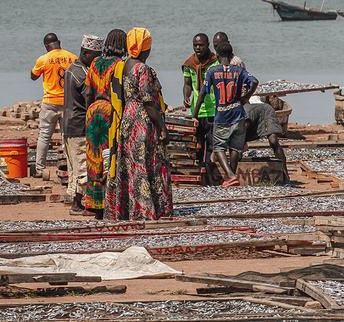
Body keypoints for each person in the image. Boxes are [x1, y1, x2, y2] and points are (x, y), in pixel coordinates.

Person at [104, 27, 173, 221]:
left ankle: (128, 209)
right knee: (147, 163)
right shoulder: (142, 68)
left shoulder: (124, 65)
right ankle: (146, 210)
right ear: (145, 48)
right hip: (143, 121)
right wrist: (162, 127)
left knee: (130, 164)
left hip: (128, 117)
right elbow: (148, 101)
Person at [195, 42, 258, 186]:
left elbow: (202, 94)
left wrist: (195, 114)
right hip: (238, 113)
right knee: (235, 147)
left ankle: (230, 176)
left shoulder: (212, 71)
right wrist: (246, 97)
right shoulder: (239, 71)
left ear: (217, 56)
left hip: (222, 115)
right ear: (231, 55)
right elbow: (254, 81)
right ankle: (232, 176)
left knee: (218, 147)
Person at [82, 29, 127, 219]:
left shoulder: (95, 63)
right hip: (110, 112)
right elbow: (120, 93)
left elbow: (86, 92)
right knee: (110, 156)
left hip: (93, 111)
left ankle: (94, 204)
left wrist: (89, 110)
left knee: (94, 157)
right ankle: (109, 203)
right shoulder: (120, 65)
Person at [61, 35, 102, 214]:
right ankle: (78, 204)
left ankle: (79, 201)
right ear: (85, 53)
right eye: (95, 56)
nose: (97, 59)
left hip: (70, 124)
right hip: (79, 126)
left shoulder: (74, 69)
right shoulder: (80, 73)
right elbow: (88, 97)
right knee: (83, 166)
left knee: (75, 167)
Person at [29, 33, 77, 176]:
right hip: (68, 102)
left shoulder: (43, 59)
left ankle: (40, 169)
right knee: (67, 136)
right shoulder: (72, 57)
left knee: (44, 135)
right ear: (59, 42)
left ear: (46, 46)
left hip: (50, 102)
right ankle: (71, 167)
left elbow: (33, 76)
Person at [182, 33, 219, 165]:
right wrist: (186, 96)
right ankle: (199, 170)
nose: (198, 48)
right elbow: (187, 84)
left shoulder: (216, 62)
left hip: (213, 109)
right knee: (197, 144)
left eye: (201, 45)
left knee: (211, 144)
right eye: (195, 45)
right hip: (197, 111)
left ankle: (209, 171)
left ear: (208, 45)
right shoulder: (189, 64)